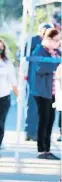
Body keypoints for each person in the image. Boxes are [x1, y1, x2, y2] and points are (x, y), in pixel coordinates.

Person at [29, 28, 61, 160]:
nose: (58, 43)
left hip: (52, 92)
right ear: (48, 39)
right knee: (44, 120)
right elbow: (40, 68)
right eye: (56, 40)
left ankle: (47, 148)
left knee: (50, 120)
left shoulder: (55, 52)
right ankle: (41, 149)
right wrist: (56, 64)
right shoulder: (39, 51)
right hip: (42, 91)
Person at [24, 23, 53, 141]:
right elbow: (23, 55)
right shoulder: (33, 41)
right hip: (33, 77)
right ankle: (29, 131)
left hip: (46, 79)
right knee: (32, 104)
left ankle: (36, 131)